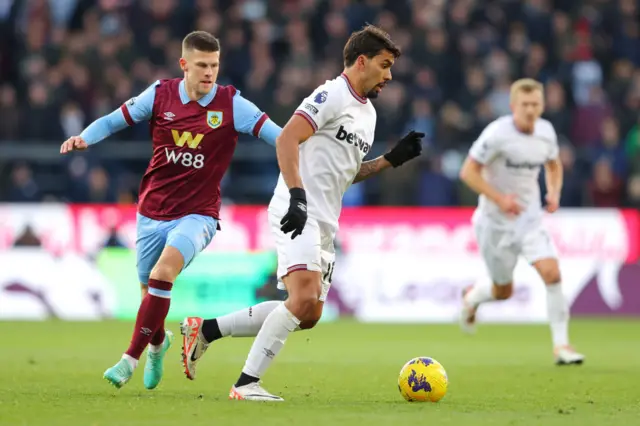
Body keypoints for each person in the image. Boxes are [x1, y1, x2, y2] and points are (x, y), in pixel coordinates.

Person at [180, 25, 425, 401]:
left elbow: (345, 173)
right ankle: (246, 384)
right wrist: (296, 195)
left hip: (325, 218)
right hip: (299, 209)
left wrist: (389, 161)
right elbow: (287, 137)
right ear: (361, 62)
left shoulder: (368, 115)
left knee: (307, 312)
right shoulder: (330, 94)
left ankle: (206, 331)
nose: (389, 75)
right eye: (384, 65)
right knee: (303, 298)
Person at [59, 31, 282, 389]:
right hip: (151, 211)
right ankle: (158, 346)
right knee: (150, 295)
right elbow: (114, 120)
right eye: (202, 65)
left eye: (214, 65)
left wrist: (313, 151)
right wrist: (85, 137)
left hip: (198, 215)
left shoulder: (232, 103)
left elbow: (280, 135)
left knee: (164, 274)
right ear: (184, 65)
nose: (209, 73)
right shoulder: (160, 94)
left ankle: (127, 360)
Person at [458, 78, 585, 365]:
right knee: (503, 291)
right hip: (494, 223)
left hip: (529, 220)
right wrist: (500, 199)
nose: (530, 110)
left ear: (542, 105)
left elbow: (553, 164)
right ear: (513, 106)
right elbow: (468, 172)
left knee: (552, 273)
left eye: (536, 104)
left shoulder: (546, 132)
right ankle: (472, 298)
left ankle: (561, 346)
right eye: (525, 104)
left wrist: (553, 192)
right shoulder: (497, 134)